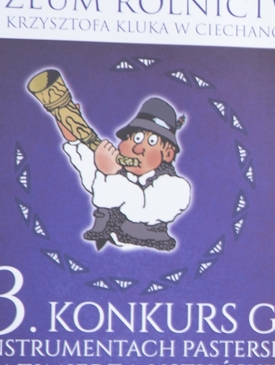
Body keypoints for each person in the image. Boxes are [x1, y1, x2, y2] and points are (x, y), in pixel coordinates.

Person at [61, 96, 192, 251]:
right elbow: (91, 173)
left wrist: (111, 173)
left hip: (148, 254)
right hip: (104, 252)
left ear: (168, 154)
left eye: (151, 142)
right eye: (136, 138)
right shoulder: (121, 172)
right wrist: (75, 140)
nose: (137, 149)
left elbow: (141, 210)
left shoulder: (175, 187)